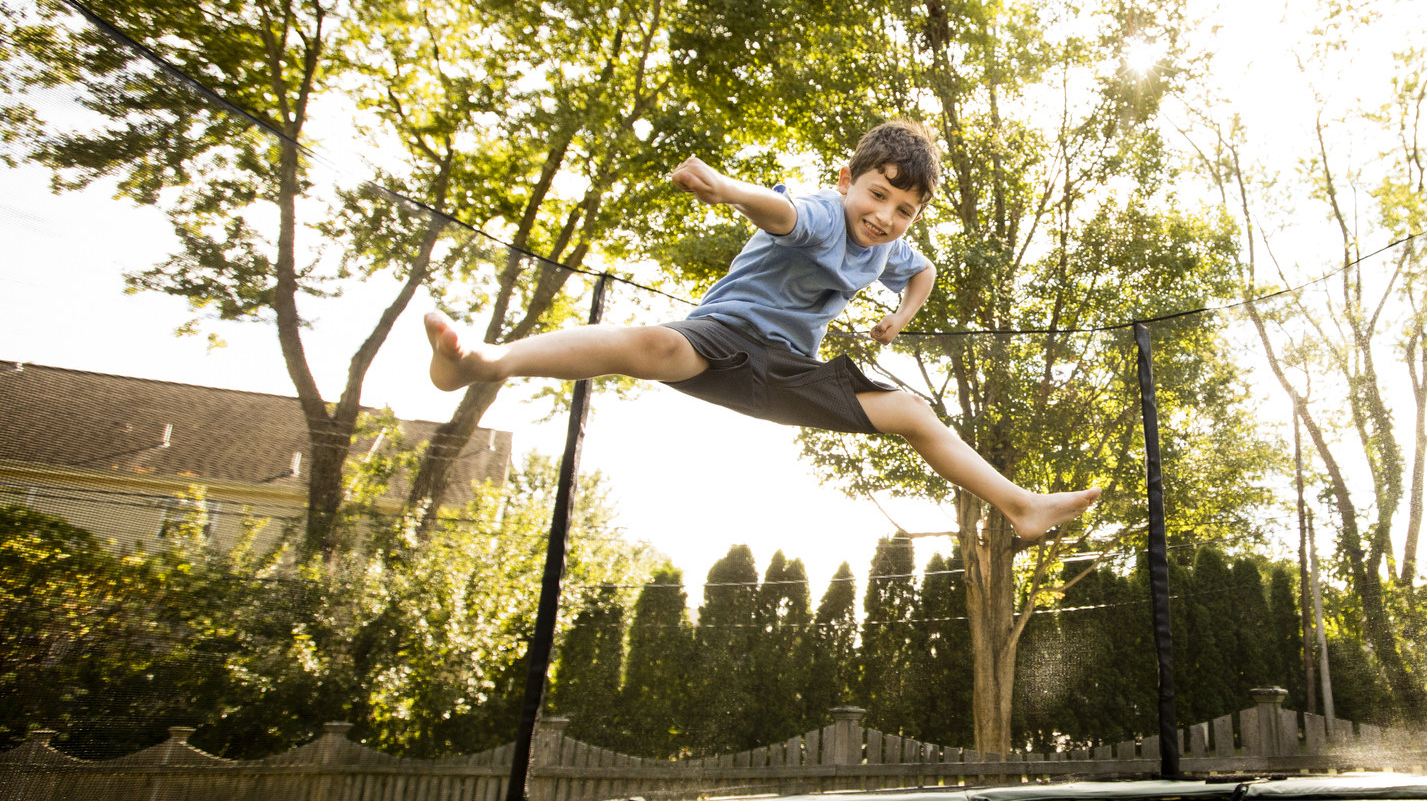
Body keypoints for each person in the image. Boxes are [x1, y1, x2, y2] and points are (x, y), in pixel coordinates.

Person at [422, 119, 1101, 542]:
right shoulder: (823, 212)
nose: (885, 218)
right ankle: (483, 362)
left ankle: (1021, 507)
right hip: (720, 340)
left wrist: (899, 316)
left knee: (913, 413)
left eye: (903, 210)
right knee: (652, 344)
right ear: (847, 180)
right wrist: (729, 190)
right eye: (876, 195)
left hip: (784, 371)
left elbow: (919, 275)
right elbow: (781, 214)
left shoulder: (892, 248)